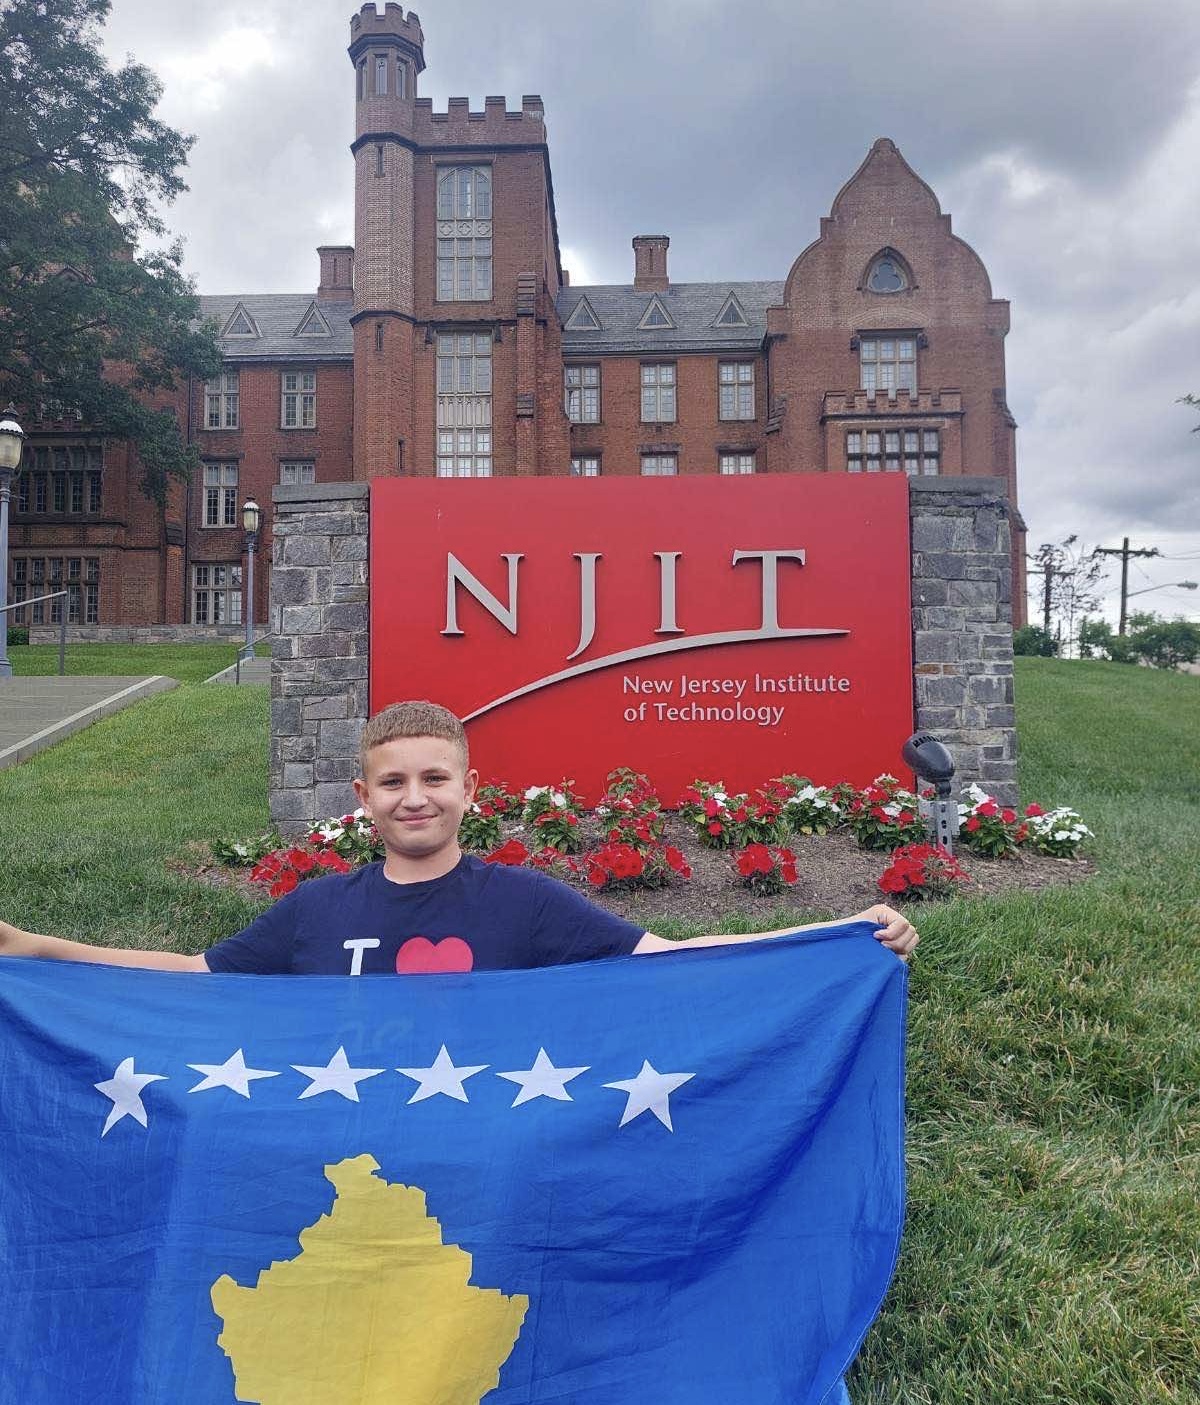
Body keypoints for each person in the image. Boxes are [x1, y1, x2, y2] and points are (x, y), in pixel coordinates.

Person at [0, 699, 918, 972]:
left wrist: (838, 934)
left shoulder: (521, 903)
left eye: (433, 778)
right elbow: (194, 979)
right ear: (362, 796)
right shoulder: (315, 912)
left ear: (469, 791)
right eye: (393, 781)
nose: (414, 798)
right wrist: (30, 945)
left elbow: (672, 953)